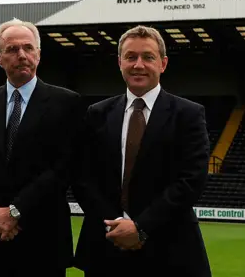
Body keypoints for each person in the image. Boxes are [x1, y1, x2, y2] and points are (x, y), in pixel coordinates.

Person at [72, 25, 212, 276]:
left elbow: (192, 179)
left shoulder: (188, 114)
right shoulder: (97, 113)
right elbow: (83, 178)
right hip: (106, 246)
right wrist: (115, 226)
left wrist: (141, 227)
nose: (138, 64)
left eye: (148, 57)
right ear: (119, 62)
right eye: (131, 57)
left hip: (169, 249)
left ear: (163, 63)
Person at [0, 18, 83, 277]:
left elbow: (64, 167)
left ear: (39, 55)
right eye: (12, 49)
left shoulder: (66, 102)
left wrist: (15, 210)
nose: (22, 55)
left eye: (28, 48)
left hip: (43, 240)